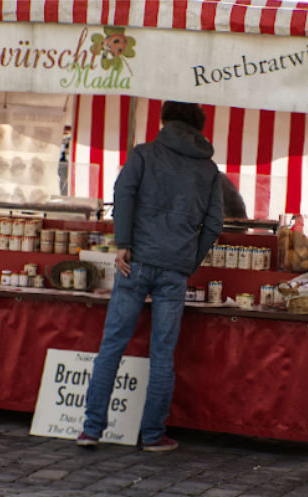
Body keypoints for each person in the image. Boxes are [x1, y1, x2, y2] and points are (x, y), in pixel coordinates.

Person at [79, 101, 223, 453]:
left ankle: (91, 429)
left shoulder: (143, 154)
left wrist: (124, 242)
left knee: (112, 346)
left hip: (135, 262)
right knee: (163, 354)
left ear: (164, 121)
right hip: (175, 269)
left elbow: (122, 194)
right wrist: (189, 260)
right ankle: (154, 435)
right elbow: (215, 224)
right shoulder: (209, 170)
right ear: (199, 128)